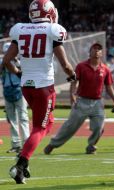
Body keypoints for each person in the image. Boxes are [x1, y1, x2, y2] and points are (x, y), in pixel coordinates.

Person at [3, 0, 76, 184]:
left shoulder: (20, 29)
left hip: (27, 86)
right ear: (50, 13)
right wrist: (73, 74)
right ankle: (21, 163)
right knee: (41, 127)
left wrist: (18, 73)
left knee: (45, 124)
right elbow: (65, 65)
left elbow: (6, 60)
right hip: (44, 86)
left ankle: (22, 167)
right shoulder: (52, 30)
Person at [44, 42, 114, 155]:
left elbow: (109, 86)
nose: (96, 51)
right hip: (82, 101)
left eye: (99, 49)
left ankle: (91, 146)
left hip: (97, 103)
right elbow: (74, 81)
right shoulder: (81, 66)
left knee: (99, 127)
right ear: (89, 52)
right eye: (94, 49)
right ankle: (53, 144)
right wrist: (72, 94)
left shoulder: (105, 69)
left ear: (102, 53)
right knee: (70, 126)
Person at [0, 42, 30, 154]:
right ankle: (16, 144)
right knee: (12, 119)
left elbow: (25, 72)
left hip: (20, 91)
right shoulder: (2, 62)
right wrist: (4, 63)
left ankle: (27, 143)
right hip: (7, 92)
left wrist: (16, 62)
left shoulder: (20, 62)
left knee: (23, 117)